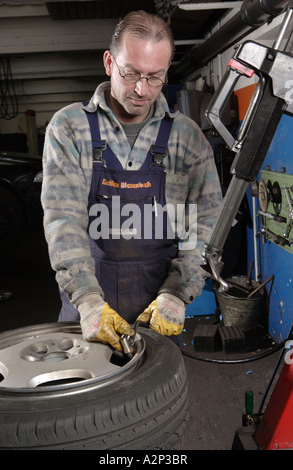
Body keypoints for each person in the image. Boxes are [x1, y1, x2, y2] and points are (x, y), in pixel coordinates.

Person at [41, 10, 222, 352]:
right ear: (109, 63)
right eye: (131, 74)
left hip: (158, 309)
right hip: (88, 305)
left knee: (154, 401)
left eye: (155, 77)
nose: (142, 90)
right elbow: (63, 221)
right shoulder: (69, 128)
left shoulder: (186, 138)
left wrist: (179, 292)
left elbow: (204, 225)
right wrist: (87, 299)